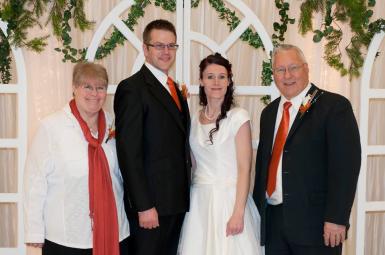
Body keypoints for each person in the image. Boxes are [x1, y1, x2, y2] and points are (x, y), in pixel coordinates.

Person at [253, 44, 361, 255]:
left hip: (318, 226)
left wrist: (337, 218)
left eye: (293, 67)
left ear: (306, 68)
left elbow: (346, 168)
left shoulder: (334, 106)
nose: (287, 75)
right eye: (280, 70)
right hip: (274, 224)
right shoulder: (268, 113)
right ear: (273, 74)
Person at [23, 62, 129, 255]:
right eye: (87, 86)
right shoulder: (51, 127)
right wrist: (34, 238)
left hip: (114, 234)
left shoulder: (114, 124)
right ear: (74, 88)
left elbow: (124, 176)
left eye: (100, 88)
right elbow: (34, 186)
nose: (94, 94)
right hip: (67, 240)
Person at [114, 19, 191, 255]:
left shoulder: (175, 89)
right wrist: (144, 205)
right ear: (145, 49)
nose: (166, 52)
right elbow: (128, 152)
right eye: (159, 45)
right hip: (151, 207)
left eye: (171, 46)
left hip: (175, 203)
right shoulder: (132, 89)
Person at [178, 53, 264, 255]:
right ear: (201, 81)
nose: (216, 82)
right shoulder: (193, 118)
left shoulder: (238, 117)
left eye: (222, 76)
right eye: (210, 76)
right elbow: (193, 165)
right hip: (199, 204)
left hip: (229, 202)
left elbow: (245, 169)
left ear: (229, 80)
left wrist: (238, 213)